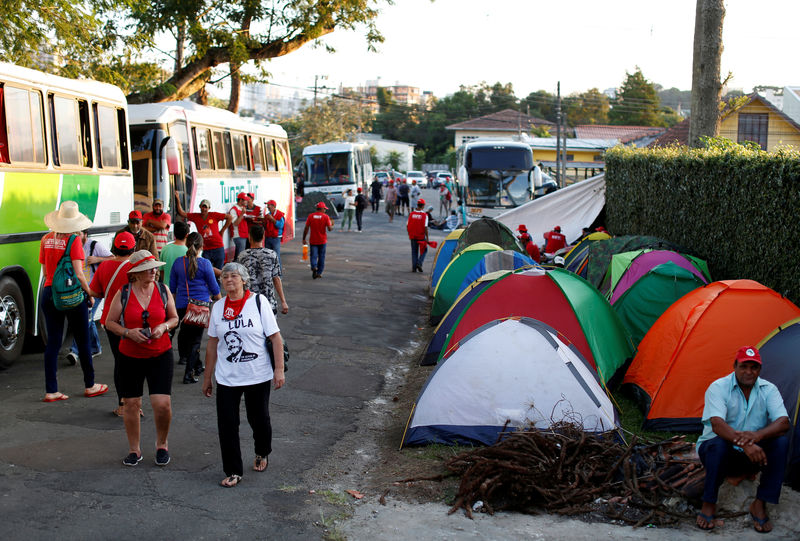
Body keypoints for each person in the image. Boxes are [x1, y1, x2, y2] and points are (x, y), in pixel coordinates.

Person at [202, 262, 285, 488]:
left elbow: (275, 338)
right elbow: (212, 344)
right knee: (227, 424)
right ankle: (233, 470)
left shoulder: (258, 302)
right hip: (227, 376)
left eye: (234, 276)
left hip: (257, 374)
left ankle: (262, 450)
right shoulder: (218, 307)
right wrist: (207, 377)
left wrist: (278, 369)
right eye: (225, 277)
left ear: (244, 280)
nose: (229, 280)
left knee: (259, 419)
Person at [695, 346, 790, 533]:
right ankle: (708, 503)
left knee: (781, 442)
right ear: (735, 366)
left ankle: (760, 503)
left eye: (754, 367)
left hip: (752, 454)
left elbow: (783, 422)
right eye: (744, 366)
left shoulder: (768, 389)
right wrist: (745, 444)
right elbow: (717, 424)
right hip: (719, 453)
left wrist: (757, 436)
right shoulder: (718, 387)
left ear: (760, 370)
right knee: (717, 444)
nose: (749, 372)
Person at [105, 250, 179, 467]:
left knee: (162, 404)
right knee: (131, 404)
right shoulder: (124, 292)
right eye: (149, 269)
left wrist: (163, 326)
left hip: (160, 354)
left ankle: (162, 444)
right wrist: (128, 332)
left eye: (155, 268)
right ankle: (134, 449)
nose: (154, 271)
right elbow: (110, 322)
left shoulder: (163, 290)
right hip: (130, 356)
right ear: (136, 273)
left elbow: (174, 318)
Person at [39, 201, 109, 402]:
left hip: (49, 293)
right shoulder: (74, 241)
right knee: (83, 340)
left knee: (53, 342)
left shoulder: (45, 239)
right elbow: (79, 274)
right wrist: (89, 292)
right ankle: (90, 385)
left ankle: (51, 390)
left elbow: (46, 272)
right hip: (72, 296)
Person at [88, 232, 136, 417]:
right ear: (133, 249)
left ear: (114, 248)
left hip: (110, 320)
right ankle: (135, 404)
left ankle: (123, 404)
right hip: (133, 319)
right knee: (134, 362)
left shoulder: (105, 266)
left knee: (120, 361)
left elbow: (95, 292)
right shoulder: (137, 266)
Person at [169, 232, 221, 384]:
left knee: (185, 336)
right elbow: (214, 288)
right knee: (195, 341)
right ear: (201, 246)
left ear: (187, 244)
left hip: (181, 306)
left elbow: (172, 288)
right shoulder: (205, 264)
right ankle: (189, 374)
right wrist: (222, 302)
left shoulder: (178, 263)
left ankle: (196, 365)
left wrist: (171, 307)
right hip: (200, 307)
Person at [65, 229, 113, 365]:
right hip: (79, 288)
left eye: (78, 233)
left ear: (85, 235)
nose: (75, 236)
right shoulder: (72, 246)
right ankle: (96, 347)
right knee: (88, 320)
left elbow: (113, 258)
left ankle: (75, 351)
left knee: (84, 319)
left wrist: (98, 259)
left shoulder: (94, 246)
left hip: (94, 289)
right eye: (73, 233)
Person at [237, 224, 288, 316]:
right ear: (263, 236)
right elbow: (276, 278)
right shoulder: (272, 254)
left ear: (249, 237)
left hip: (248, 303)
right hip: (268, 303)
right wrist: (283, 301)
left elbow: (238, 280)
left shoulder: (242, 256)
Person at [173, 192, 231, 271]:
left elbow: (229, 217)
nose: (204, 209)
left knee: (219, 271)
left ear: (209, 208)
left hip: (218, 247)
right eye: (202, 207)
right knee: (206, 270)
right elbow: (181, 213)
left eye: (205, 207)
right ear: (200, 207)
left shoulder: (214, 215)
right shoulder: (195, 216)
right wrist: (177, 198)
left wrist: (222, 230)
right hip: (206, 248)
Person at [302, 201, 334, 279]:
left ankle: (314, 266)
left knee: (313, 255)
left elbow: (306, 228)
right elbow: (329, 229)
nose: (325, 210)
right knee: (321, 256)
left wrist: (304, 238)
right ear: (322, 209)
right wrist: (332, 225)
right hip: (322, 240)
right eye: (325, 209)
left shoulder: (311, 216)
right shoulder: (325, 217)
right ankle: (319, 272)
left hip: (313, 240)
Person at [159, 220, 189, 286]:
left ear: (174, 234)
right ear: (187, 235)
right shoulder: (189, 251)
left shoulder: (165, 249)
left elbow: (161, 271)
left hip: (167, 289)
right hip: (183, 290)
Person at [406, 199, 429, 273]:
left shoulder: (411, 214)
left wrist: (409, 233)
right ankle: (419, 263)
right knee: (424, 250)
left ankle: (414, 267)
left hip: (413, 236)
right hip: (421, 236)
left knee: (414, 251)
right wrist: (427, 238)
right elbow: (425, 227)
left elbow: (407, 225)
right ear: (423, 206)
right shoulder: (425, 215)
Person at [227, 192, 250, 260]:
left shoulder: (242, 208)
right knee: (240, 256)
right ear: (240, 200)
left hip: (244, 234)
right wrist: (242, 214)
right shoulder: (234, 209)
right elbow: (235, 223)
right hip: (238, 235)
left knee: (240, 255)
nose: (247, 201)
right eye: (245, 200)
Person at [262, 199, 285, 267]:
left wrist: (272, 219)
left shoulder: (280, 214)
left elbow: (280, 226)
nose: (268, 206)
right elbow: (265, 226)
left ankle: (278, 274)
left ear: (274, 206)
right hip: (268, 237)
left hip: (276, 238)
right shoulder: (267, 215)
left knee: (276, 256)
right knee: (268, 257)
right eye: (267, 205)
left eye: (269, 205)